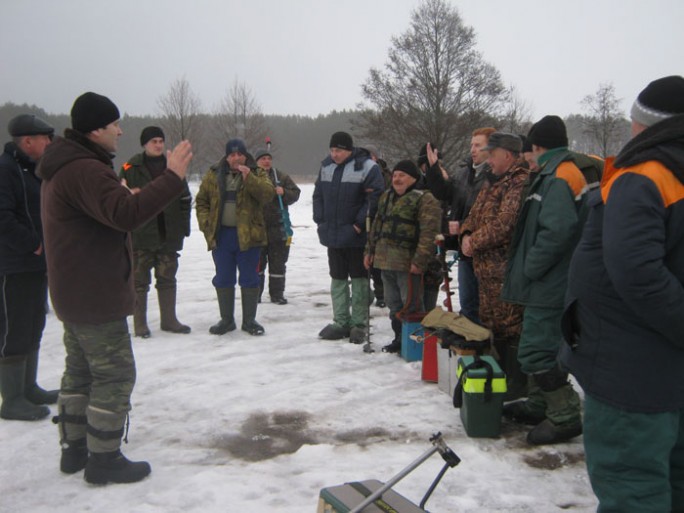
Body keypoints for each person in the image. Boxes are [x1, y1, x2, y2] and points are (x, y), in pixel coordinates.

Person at [39, 92, 193, 484]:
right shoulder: (85, 169)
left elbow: (104, 212)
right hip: (95, 293)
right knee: (114, 376)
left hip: (73, 292)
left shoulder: (66, 166)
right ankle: (104, 458)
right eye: (114, 126)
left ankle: (74, 450)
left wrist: (129, 196)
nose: (120, 131)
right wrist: (172, 177)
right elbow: (125, 216)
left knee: (78, 373)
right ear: (95, 130)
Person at [560, 75, 684, 512]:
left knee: (633, 487)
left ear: (644, 126)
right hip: (664, 371)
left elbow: (637, 273)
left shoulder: (646, 175)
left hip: (632, 373)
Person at [500, 115, 587, 445]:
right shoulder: (554, 172)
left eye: (528, 151)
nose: (526, 158)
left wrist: (531, 267)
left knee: (536, 351)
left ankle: (564, 416)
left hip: (551, 283)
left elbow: (558, 231)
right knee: (541, 345)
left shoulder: (559, 177)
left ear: (538, 148)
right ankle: (539, 404)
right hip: (549, 282)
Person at [459, 133, 528, 400]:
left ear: (508, 156)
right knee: (492, 325)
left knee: (510, 327)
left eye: (492, 152)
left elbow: (504, 224)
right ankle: (498, 378)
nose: (488, 158)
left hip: (504, 272)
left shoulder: (518, 183)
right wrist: (465, 234)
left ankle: (515, 384)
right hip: (484, 274)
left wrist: (472, 241)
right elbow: (472, 215)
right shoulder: (491, 181)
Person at [0, 114, 57, 421]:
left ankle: (29, 387)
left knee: (35, 323)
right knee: (14, 328)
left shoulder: (32, 170)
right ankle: (11, 398)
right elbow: (3, 218)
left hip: (36, 263)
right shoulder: (6, 170)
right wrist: (32, 243)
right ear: (27, 141)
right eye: (44, 138)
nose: (49, 143)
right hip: (14, 265)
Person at [196, 138, 274, 336]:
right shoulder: (213, 174)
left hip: (249, 237)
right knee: (223, 278)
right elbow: (202, 201)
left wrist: (250, 179)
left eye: (240, 154)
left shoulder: (257, 172)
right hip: (222, 237)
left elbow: (267, 195)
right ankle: (227, 320)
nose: (237, 158)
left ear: (246, 156)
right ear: (227, 156)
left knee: (249, 278)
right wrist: (206, 225)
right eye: (232, 154)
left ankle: (249, 321)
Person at [119, 126, 192, 337]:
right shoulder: (130, 166)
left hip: (169, 233)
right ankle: (140, 324)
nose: (158, 145)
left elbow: (185, 199)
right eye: (154, 142)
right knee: (140, 282)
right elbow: (121, 196)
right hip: (141, 234)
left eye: (161, 141)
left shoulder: (173, 166)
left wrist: (183, 228)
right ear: (145, 144)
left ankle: (169, 320)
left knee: (167, 277)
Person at [364, 160, 441, 353]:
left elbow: (429, 233)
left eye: (402, 176)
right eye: (395, 175)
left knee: (412, 305)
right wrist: (369, 251)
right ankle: (399, 338)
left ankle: (416, 344)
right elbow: (376, 226)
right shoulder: (386, 197)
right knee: (393, 304)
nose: (397, 179)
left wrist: (420, 260)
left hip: (408, 264)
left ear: (414, 178)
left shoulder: (426, 199)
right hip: (385, 261)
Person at [313, 131, 384, 343]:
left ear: (349, 150)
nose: (334, 154)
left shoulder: (368, 167)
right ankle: (340, 321)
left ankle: (358, 323)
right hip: (332, 234)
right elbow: (318, 195)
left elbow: (374, 198)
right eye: (332, 150)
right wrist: (320, 219)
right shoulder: (326, 166)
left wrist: (358, 225)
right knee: (337, 278)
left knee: (360, 279)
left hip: (356, 236)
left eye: (339, 150)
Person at [425, 128, 496, 323]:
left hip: (486, 251)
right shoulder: (465, 172)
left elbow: (489, 214)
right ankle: (472, 346)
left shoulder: (495, 176)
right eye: (471, 145)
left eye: (478, 145)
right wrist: (433, 171)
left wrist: (464, 226)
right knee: (468, 304)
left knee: (485, 307)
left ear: (491, 149)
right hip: (463, 248)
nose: (472, 149)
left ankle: (485, 349)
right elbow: (446, 193)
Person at [254, 147, 301, 305]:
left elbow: (296, 192)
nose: (266, 161)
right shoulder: (251, 177)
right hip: (257, 228)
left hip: (278, 228)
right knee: (257, 264)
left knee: (278, 264)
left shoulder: (280, 176)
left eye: (268, 158)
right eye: (263, 159)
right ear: (257, 161)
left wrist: (284, 193)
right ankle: (255, 295)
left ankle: (277, 295)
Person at [362, 143, 389, 308]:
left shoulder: (387, 175)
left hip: (379, 221)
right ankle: (364, 295)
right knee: (362, 263)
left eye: (370, 156)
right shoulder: (358, 173)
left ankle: (381, 295)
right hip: (361, 221)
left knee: (377, 263)